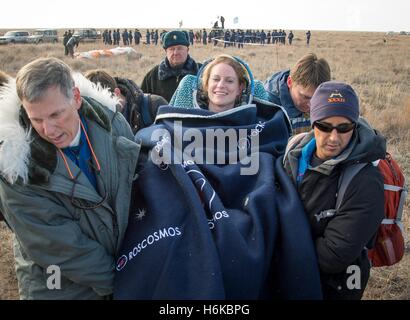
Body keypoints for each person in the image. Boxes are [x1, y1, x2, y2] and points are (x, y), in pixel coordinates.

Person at [0, 57, 140, 299]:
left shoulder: (113, 123)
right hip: (59, 288)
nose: (48, 130)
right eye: (37, 119)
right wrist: (122, 283)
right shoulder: (16, 169)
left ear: (76, 98)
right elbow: (60, 248)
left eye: (56, 114)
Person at [282, 81, 386, 300]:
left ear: (355, 126)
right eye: (325, 126)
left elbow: (334, 255)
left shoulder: (365, 180)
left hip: (338, 285)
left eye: (344, 127)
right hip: (291, 278)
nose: (333, 137)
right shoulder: (293, 153)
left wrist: (280, 248)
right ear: (313, 122)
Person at [170, 54, 272, 111]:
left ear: (240, 88)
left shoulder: (252, 126)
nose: (221, 85)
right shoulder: (186, 121)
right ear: (206, 84)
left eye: (229, 81)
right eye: (216, 79)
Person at [264, 52, 331, 134]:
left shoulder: (330, 101)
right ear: (289, 82)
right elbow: (252, 143)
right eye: (305, 97)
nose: (311, 104)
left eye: (317, 98)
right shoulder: (265, 105)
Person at [84, 69, 167, 133]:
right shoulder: (88, 121)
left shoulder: (155, 106)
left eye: (102, 104)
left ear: (116, 93)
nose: (99, 111)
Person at [141, 30, 201, 102]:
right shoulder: (152, 76)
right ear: (166, 52)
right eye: (171, 49)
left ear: (187, 50)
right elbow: (143, 103)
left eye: (180, 48)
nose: (175, 52)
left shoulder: (201, 72)